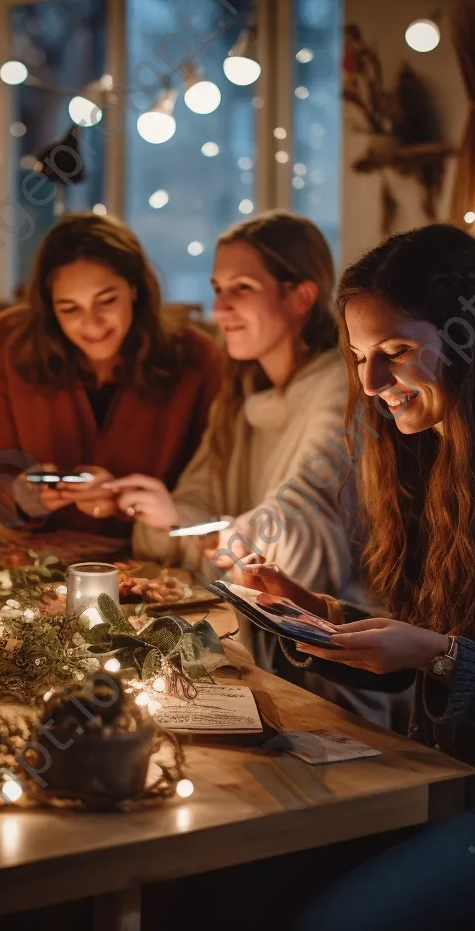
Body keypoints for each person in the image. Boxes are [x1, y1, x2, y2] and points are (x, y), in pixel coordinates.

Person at [239, 224, 475, 931]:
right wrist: (320, 614)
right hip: (431, 782)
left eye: (393, 352)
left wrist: (435, 653)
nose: (368, 383)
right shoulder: (426, 456)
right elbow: (428, 654)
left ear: (468, 336)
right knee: (228, 880)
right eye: (359, 356)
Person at [106, 212, 380, 719]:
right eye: (217, 287)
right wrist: (166, 515)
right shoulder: (239, 395)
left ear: (300, 296)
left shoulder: (340, 393)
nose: (220, 307)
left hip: (330, 670)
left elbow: (303, 529)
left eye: (242, 288)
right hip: (240, 644)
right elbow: (200, 501)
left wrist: (233, 534)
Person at [0, 212, 221, 537]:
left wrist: (122, 503)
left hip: (154, 561)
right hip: (37, 559)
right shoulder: (6, 342)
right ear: (49, 307)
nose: (92, 324)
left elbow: (211, 495)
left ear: (134, 288)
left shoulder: (195, 356)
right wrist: (23, 496)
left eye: (106, 301)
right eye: (70, 309)